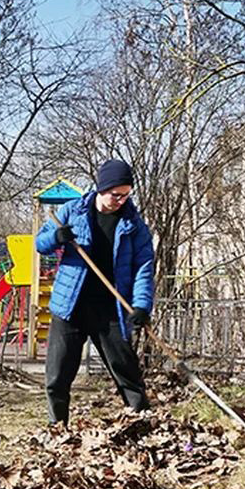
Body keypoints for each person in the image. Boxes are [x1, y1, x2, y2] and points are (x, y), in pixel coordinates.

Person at [35, 159, 154, 423]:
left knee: (127, 373)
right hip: (70, 307)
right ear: (102, 188)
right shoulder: (72, 211)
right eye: (116, 194)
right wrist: (57, 238)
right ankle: (58, 429)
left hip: (109, 309)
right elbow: (40, 244)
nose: (121, 200)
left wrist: (142, 306)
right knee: (57, 377)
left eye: (126, 195)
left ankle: (143, 426)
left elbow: (144, 267)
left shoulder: (134, 226)